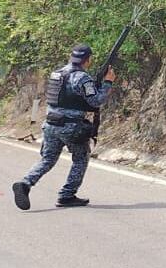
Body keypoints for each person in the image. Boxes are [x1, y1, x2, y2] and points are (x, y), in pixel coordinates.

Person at [12, 44, 115, 211]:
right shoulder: (82, 78)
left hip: (51, 124)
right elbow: (96, 101)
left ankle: (25, 184)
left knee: (47, 160)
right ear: (88, 60)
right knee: (81, 158)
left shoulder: (57, 74)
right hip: (71, 126)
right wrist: (108, 82)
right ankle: (67, 195)